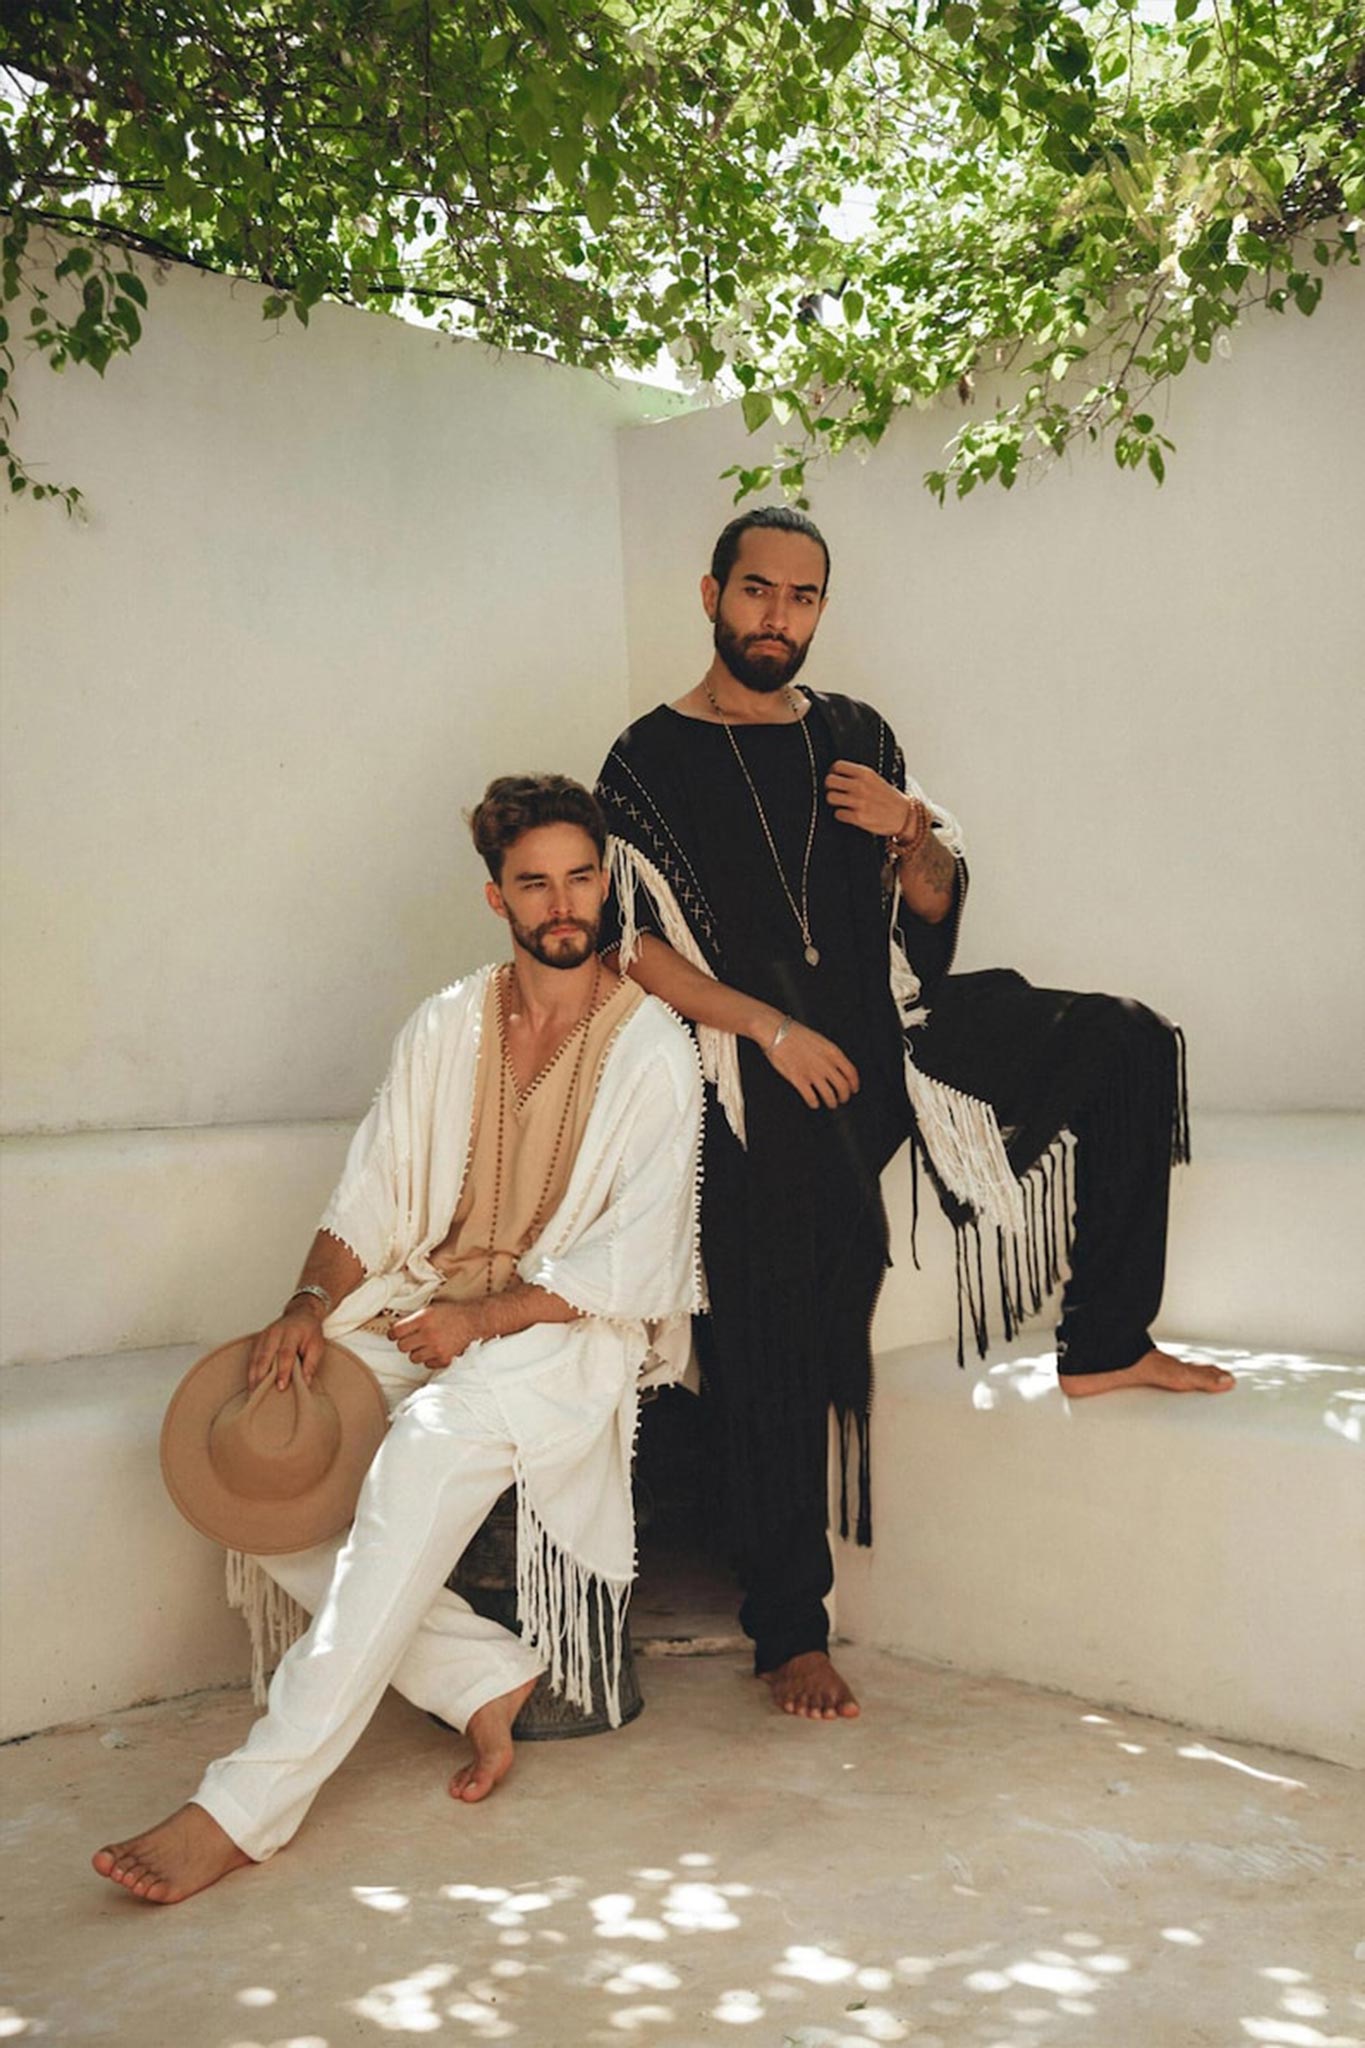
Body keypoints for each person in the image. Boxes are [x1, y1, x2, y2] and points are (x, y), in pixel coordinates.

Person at [594, 506, 1233, 1725]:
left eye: (804, 597)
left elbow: (933, 903)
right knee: (779, 1256)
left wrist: (913, 828)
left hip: (897, 1030)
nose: (779, 616)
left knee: (1128, 1038)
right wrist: (771, 1031)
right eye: (759, 591)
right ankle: (790, 1626)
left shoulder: (855, 733)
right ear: (711, 592)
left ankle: (1104, 1338)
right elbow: (637, 951)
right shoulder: (644, 759)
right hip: (758, 1061)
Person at [92, 774, 704, 1904]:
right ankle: (481, 1675)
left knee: (421, 1446)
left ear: (605, 881)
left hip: (555, 1331)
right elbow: (369, 1199)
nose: (563, 901)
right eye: (536, 882)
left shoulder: (655, 1045)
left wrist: (484, 1319)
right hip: (423, 1304)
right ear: (497, 896)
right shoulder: (447, 1021)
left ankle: (243, 1805)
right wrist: (305, 1305)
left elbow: (638, 1258)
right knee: (267, 1452)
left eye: (581, 875)